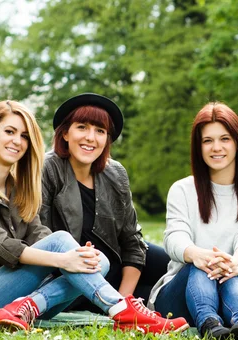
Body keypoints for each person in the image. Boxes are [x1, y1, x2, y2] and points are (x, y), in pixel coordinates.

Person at [0, 100, 188, 334]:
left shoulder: (18, 186)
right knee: (71, 251)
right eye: (9, 132)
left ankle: (26, 307)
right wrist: (63, 258)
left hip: (15, 294)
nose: (17, 141)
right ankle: (122, 310)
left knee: (97, 261)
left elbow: (40, 235)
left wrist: (76, 257)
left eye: (24, 136)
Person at [148, 102, 238, 340]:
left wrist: (236, 261)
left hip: (234, 284)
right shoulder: (182, 189)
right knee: (202, 266)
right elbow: (174, 237)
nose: (216, 147)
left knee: (231, 274)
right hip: (179, 296)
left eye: (224, 139)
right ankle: (210, 323)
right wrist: (197, 255)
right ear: (199, 147)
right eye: (207, 141)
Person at [40, 93, 171, 310]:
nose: (91, 137)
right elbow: (40, 236)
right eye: (82, 127)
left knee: (177, 267)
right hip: (76, 275)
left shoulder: (115, 173)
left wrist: (124, 299)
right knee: (162, 300)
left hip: (120, 267)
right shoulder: (48, 169)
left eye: (100, 131)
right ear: (64, 133)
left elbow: (132, 241)